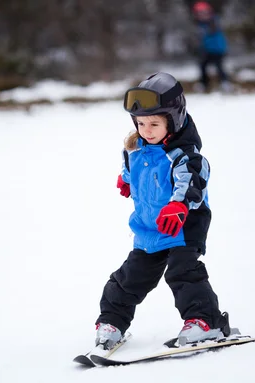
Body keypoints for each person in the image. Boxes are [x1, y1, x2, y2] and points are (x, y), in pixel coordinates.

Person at [94, 72, 231, 350]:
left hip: (182, 229)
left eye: (154, 123)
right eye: (141, 123)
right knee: (130, 278)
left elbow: (192, 183)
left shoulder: (185, 156)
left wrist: (178, 205)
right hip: (149, 230)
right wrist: (126, 179)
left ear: (175, 119)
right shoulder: (135, 150)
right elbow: (131, 167)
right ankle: (111, 322)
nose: (146, 130)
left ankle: (204, 321)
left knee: (183, 273)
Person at [192, 1, 230, 92]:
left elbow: (212, 35)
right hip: (207, 51)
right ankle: (204, 84)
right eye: (199, 13)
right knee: (202, 66)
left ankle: (225, 83)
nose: (202, 15)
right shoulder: (200, 25)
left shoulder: (213, 22)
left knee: (219, 67)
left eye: (204, 13)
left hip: (217, 50)